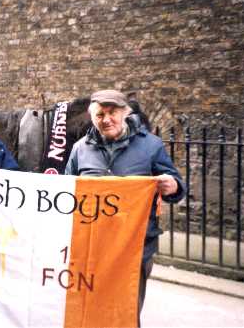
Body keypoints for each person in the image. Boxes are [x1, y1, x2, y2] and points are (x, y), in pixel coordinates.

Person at [65, 89, 185, 326]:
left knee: (125, 312)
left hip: (135, 247)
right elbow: (66, 190)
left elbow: (176, 185)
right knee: (89, 308)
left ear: (124, 114)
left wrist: (173, 186)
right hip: (92, 246)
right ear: (92, 117)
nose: (106, 119)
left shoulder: (151, 146)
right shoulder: (80, 148)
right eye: (100, 115)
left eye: (112, 113)